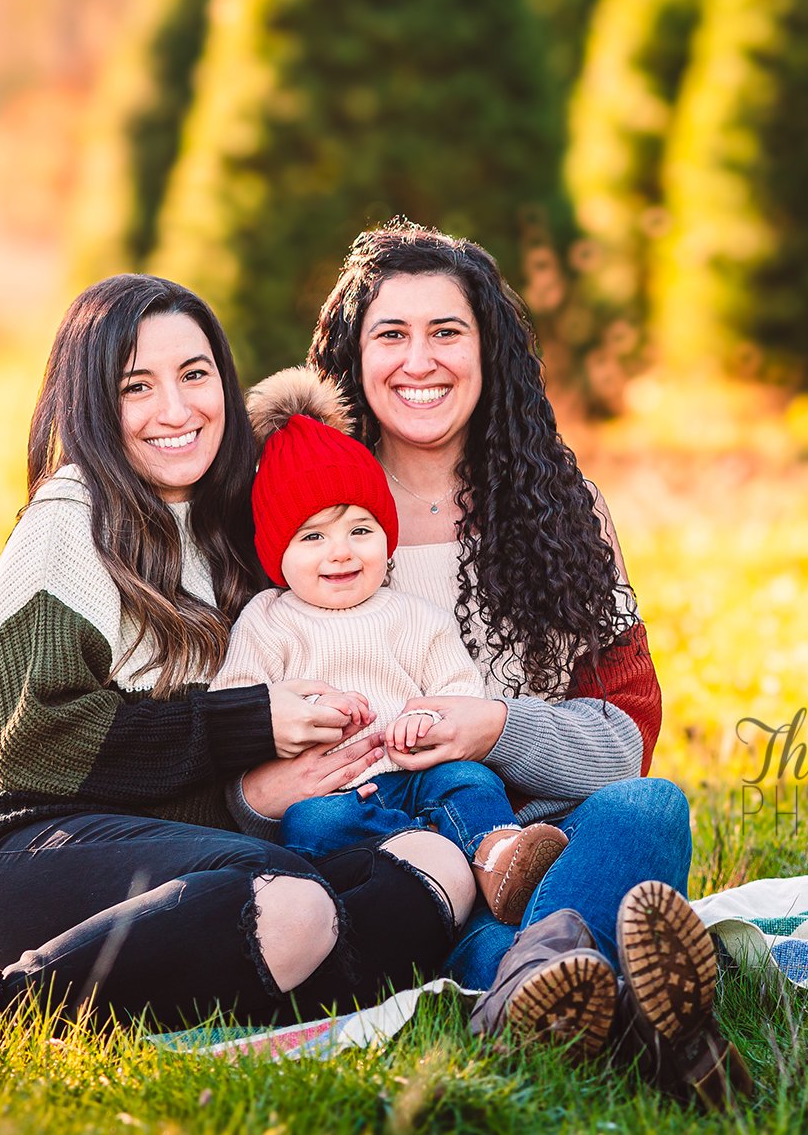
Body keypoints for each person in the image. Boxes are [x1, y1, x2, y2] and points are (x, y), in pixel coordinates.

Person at [231, 220, 749, 1106]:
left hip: (541, 850)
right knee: (460, 910)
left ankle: (530, 983)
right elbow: (230, 728)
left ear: (488, 349)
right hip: (382, 855)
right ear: (352, 357)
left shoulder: (559, 508)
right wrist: (261, 796)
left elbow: (626, 737)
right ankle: (650, 1026)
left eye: (447, 332)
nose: (418, 360)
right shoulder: (301, 513)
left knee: (650, 807)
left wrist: (497, 727)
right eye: (390, 334)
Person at [0, 274, 473, 1032]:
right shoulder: (70, 519)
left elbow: (207, 794)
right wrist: (251, 723)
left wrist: (269, 792)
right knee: (285, 895)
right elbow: (36, 742)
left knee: (436, 866)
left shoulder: (233, 528)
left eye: (194, 375)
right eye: (136, 386)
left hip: (200, 871)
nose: (175, 410)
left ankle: (288, 976)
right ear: (91, 402)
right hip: (26, 868)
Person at [191, 364, 569, 925]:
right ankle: (417, 861)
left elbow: (459, 689)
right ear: (277, 554)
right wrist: (299, 716)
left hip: (418, 771)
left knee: (470, 782)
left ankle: (496, 856)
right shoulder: (269, 621)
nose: (341, 552)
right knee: (309, 826)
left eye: (359, 530)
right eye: (313, 536)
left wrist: (426, 719)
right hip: (336, 792)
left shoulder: (411, 616)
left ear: (385, 539)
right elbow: (237, 704)